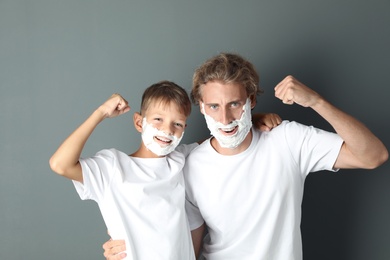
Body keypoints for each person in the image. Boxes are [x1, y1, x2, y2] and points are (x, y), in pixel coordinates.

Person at [103, 53, 388, 260]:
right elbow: (182, 245)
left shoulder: (287, 140)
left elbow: (373, 155)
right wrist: (128, 250)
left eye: (235, 104)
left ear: (251, 101)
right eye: (213, 106)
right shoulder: (186, 163)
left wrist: (315, 101)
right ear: (200, 107)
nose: (225, 117)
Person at [50, 80, 281, 259]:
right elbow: (60, 164)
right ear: (140, 122)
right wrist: (101, 112)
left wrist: (251, 119)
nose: (167, 130)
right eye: (158, 120)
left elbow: (220, 139)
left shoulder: (181, 160)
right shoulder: (112, 168)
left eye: (177, 124)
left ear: (184, 129)